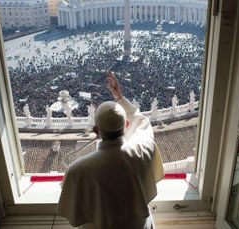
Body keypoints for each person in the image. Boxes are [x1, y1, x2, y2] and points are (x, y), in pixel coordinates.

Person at [57, 71, 165, 229]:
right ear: (126, 124)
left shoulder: (77, 170)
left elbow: (74, 208)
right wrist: (119, 97)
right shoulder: (144, 148)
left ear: (96, 130)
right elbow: (142, 121)